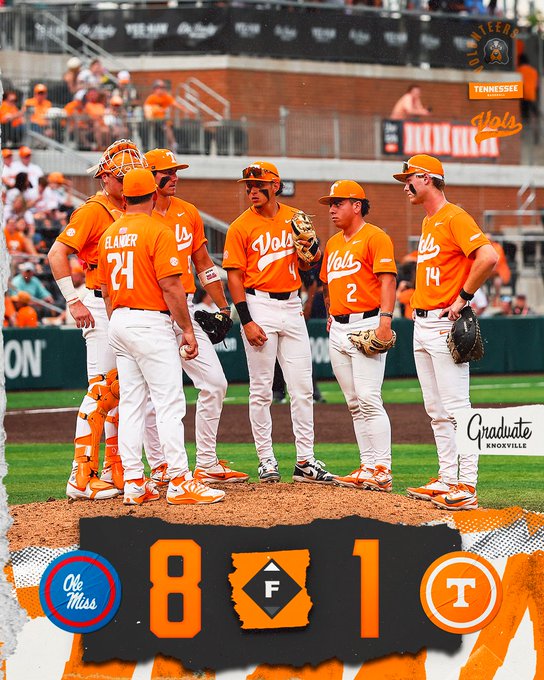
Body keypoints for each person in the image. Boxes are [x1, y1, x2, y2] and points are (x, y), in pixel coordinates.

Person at [97, 168, 224, 506]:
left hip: (120, 320)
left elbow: (105, 290)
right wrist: (185, 329)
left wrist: (118, 323)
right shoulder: (159, 230)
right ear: (154, 196)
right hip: (150, 322)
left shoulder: (109, 234)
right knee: (169, 404)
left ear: (124, 198)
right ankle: (181, 481)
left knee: (132, 406)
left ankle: (135, 484)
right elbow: (171, 287)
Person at [48, 139, 160, 501]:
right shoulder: (94, 210)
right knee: (100, 390)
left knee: (120, 391)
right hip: (96, 303)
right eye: (120, 176)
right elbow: (56, 253)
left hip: (118, 305)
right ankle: (80, 475)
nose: (126, 181)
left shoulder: (126, 209)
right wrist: (72, 300)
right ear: (106, 178)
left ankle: (114, 468)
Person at [393, 154, 498, 510]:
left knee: (457, 409)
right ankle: (447, 477)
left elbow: (488, 257)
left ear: (426, 178)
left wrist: (463, 298)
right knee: (436, 410)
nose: (405, 185)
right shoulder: (428, 222)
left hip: (443, 321)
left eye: (409, 178)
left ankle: (466, 485)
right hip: (421, 323)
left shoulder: (454, 216)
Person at [222, 160, 337, 483]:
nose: (252, 191)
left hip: (291, 304)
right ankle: (266, 459)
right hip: (258, 303)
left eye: (258, 185)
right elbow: (234, 277)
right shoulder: (240, 226)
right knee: (261, 390)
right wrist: (245, 320)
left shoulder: (293, 218)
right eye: (248, 186)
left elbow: (312, 262)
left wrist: (312, 250)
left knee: (301, 388)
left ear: (275, 186)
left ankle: (305, 461)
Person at [144, 148, 248, 484]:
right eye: (167, 172)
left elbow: (203, 264)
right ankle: (160, 468)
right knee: (152, 395)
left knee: (216, 383)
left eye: (176, 172)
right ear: (150, 176)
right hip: (153, 311)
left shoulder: (187, 212)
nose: (174, 177)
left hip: (186, 309)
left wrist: (222, 305)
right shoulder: (137, 215)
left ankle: (206, 462)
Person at [317, 180, 397, 493]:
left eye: (338, 202)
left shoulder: (375, 236)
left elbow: (387, 280)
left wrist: (385, 320)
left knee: (368, 398)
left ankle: (383, 468)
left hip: (367, 323)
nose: (332, 209)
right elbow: (325, 283)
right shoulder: (334, 243)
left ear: (357, 205)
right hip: (338, 327)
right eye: (331, 204)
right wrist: (329, 312)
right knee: (353, 402)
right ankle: (367, 465)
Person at [143, 80, 187, 150]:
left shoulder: (166, 97)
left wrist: (185, 110)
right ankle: (147, 147)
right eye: (159, 88)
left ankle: (173, 144)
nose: (161, 90)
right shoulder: (151, 98)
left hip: (162, 120)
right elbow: (147, 109)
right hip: (153, 120)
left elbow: (175, 103)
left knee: (166, 127)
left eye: (163, 88)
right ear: (155, 89)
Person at [517, 53, 539, 141]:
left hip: (523, 97)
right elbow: (537, 85)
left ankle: (523, 135)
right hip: (532, 96)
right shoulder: (534, 71)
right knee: (535, 116)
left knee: (524, 117)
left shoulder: (519, 70)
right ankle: (536, 136)